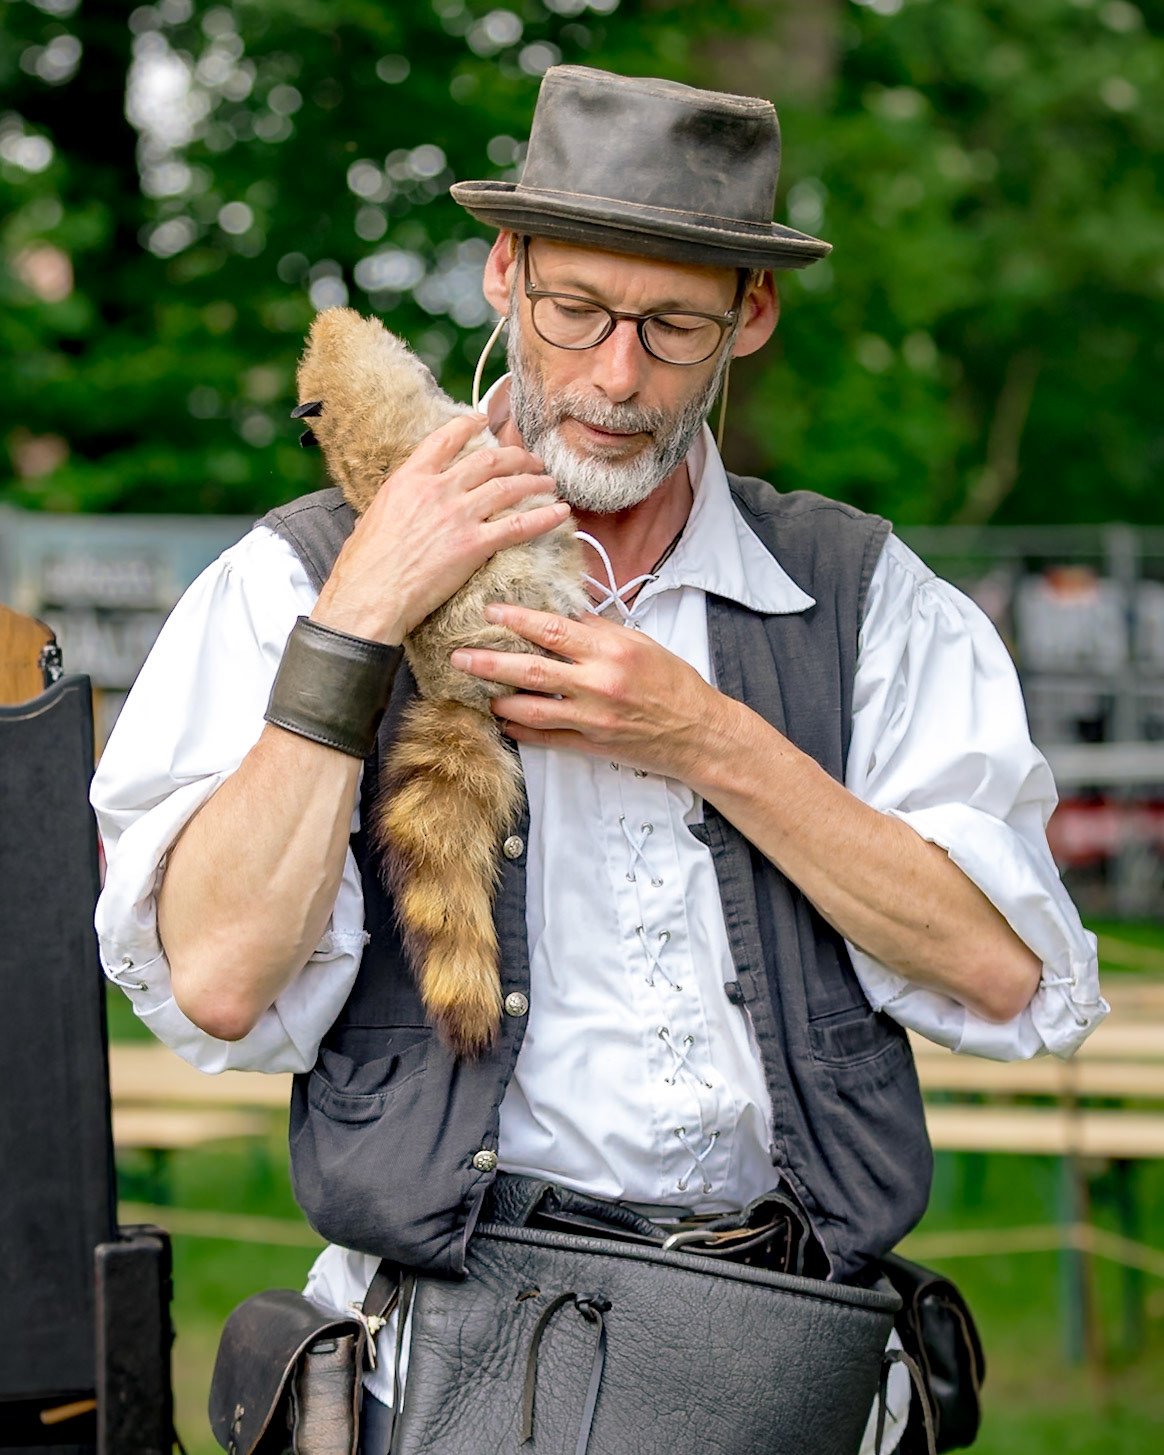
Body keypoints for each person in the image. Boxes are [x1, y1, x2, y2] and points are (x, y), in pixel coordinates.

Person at [92, 66, 1105, 1454]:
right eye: (575, 313)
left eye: (674, 326)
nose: (617, 378)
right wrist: (363, 617)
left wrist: (711, 740)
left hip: (799, 1366)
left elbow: (1007, 970)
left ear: (749, 317)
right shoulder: (294, 579)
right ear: (505, 274)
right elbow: (212, 977)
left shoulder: (861, 594)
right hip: (450, 1355)